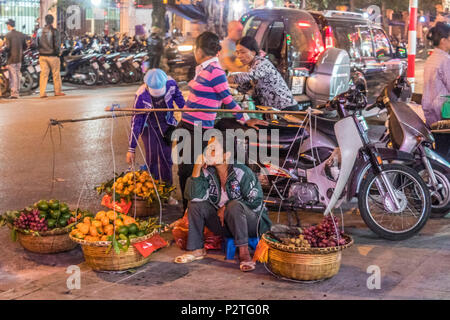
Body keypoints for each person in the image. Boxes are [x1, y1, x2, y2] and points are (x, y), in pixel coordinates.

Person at [176, 32, 267, 212]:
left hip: (198, 129)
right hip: (187, 125)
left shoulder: (215, 71)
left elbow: (227, 99)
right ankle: (188, 213)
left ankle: (190, 213)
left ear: (199, 50)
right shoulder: (202, 68)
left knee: (191, 172)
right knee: (184, 171)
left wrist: (245, 120)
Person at [174, 136, 272, 272]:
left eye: (213, 150)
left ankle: (244, 253)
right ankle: (197, 249)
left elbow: (255, 202)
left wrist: (226, 207)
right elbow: (194, 197)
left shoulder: (243, 172)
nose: (207, 153)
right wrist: (196, 168)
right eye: (207, 149)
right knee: (195, 205)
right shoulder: (207, 171)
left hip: (252, 224)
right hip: (224, 225)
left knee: (234, 206)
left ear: (226, 155)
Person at [127, 69, 185, 191]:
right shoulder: (141, 95)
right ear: (147, 86)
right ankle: (154, 192)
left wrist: (189, 116)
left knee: (166, 159)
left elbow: (180, 101)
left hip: (166, 125)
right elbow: (136, 122)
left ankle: (167, 191)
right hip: (149, 128)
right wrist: (131, 148)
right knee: (152, 160)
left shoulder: (171, 84)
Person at [228, 36, 299, 111]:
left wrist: (229, 78)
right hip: (272, 110)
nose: (239, 56)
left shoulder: (262, 63)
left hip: (285, 108)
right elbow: (247, 86)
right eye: (237, 52)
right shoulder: (251, 66)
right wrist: (231, 90)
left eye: (243, 52)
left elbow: (252, 75)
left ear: (253, 52)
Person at [422, 22, 450, 126]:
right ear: (443, 40)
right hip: (443, 111)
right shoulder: (445, 60)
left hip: (429, 109)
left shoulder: (431, 58)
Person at [36, 14, 65, 98]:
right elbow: (57, 44)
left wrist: (40, 51)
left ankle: (42, 93)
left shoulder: (39, 31)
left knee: (43, 74)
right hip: (52, 56)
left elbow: (36, 43)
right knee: (56, 74)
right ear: (52, 21)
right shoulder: (55, 31)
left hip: (42, 56)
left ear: (45, 20)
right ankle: (57, 91)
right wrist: (58, 53)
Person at [4, 19, 27, 99]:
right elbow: (25, 46)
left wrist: (3, 49)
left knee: (13, 76)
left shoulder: (8, 35)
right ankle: (17, 91)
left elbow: (8, 47)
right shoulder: (21, 34)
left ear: (9, 25)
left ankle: (14, 93)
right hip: (19, 58)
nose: (7, 26)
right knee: (17, 75)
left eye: (7, 25)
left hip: (11, 58)